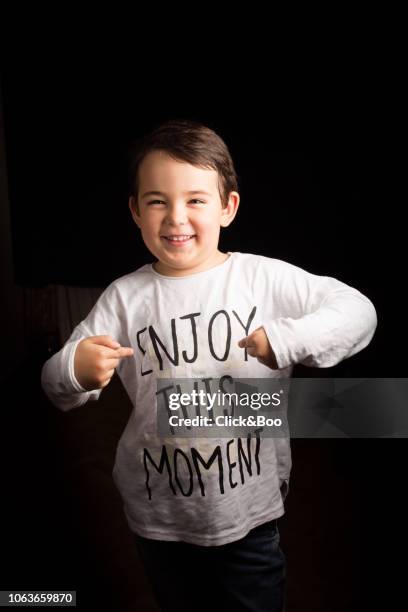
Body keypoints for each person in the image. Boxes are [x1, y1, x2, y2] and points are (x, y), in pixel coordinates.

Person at [41, 119, 377, 612]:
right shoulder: (124, 297)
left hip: (249, 515)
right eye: (157, 201)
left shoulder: (260, 278)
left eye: (195, 199)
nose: (176, 218)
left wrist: (288, 338)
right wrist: (75, 368)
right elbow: (53, 384)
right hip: (158, 517)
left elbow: (358, 312)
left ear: (227, 206)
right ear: (135, 211)